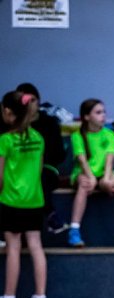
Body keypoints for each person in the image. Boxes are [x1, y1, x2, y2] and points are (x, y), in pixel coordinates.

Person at [0, 91, 50, 298]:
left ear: (8, 113)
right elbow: (39, 171)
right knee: (36, 246)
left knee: (13, 248)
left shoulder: (5, 140)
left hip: (11, 200)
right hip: (34, 200)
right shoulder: (38, 138)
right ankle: (41, 297)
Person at [14, 83, 67, 235]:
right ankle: (50, 215)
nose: (29, 105)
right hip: (18, 170)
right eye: (24, 102)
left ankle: (50, 217)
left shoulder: (49, 123)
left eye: (33, 100)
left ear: (38, 101)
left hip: (46, 168)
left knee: (40, 179)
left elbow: (59, 154)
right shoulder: (12, 125)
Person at [68, 99, 114, 247]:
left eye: (104, 112)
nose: (103, 115)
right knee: (85, 184)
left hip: (104, 172)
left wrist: (107, 179)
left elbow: (110, 159)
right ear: (86, 117)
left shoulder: (110, 135)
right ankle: (74, 230)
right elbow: (82, 160)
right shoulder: (77, 136)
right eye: (98, 112)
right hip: (84, 172)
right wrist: (92, 178)